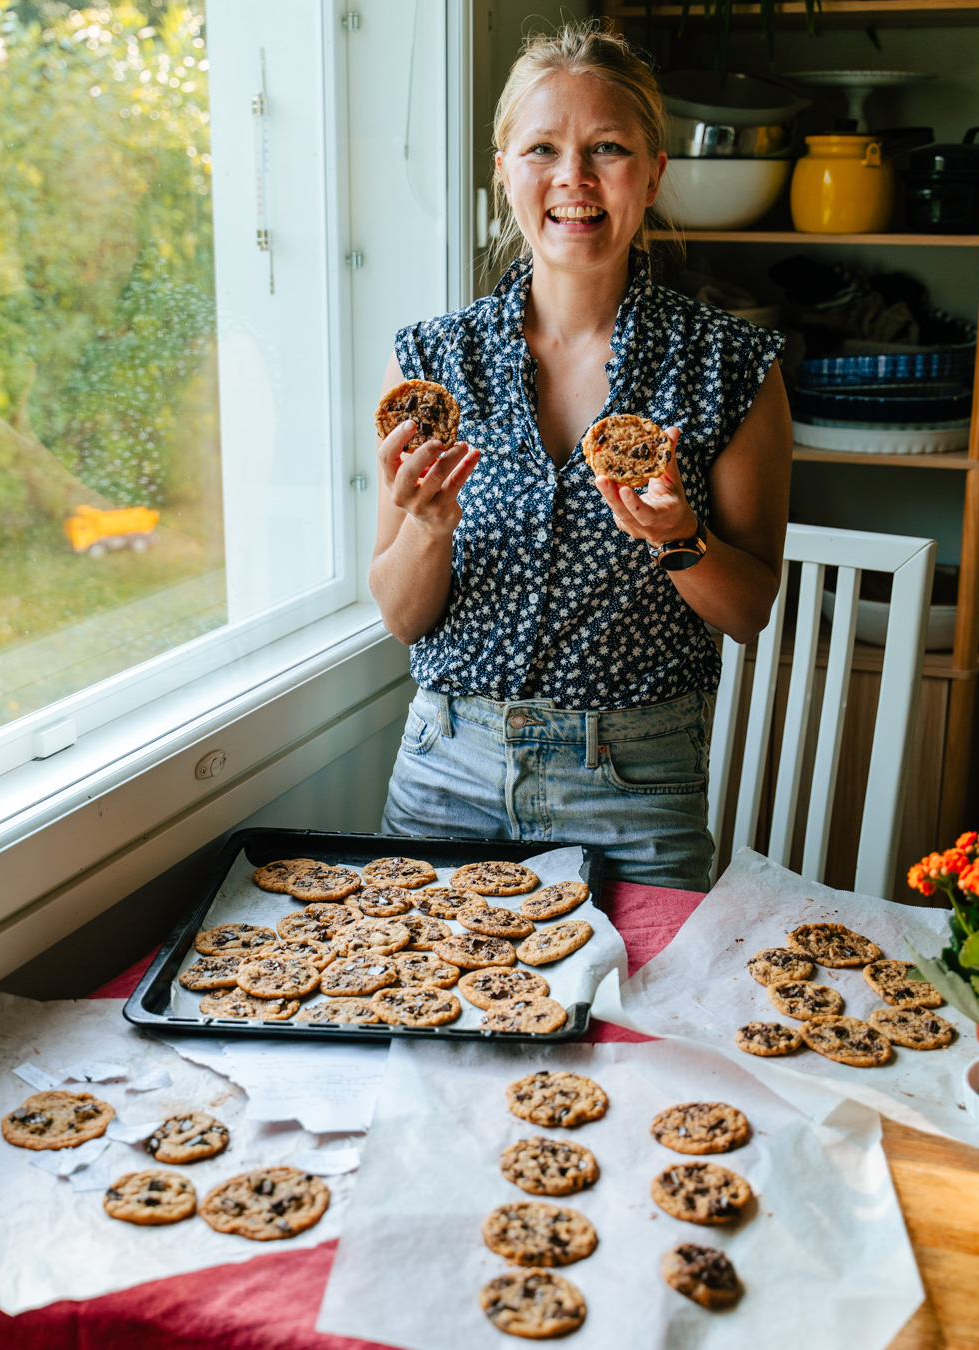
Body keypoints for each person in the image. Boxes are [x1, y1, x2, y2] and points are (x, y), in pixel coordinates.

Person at [369, 24, 792, 889]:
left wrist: (679, 538)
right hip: (445, 775)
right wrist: (428, 528)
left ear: (654, 171)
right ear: (502, 170)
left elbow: (748, 610)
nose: (575, 179)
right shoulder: (430, 360)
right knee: (425, 1020)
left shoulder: (731, 366)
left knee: (636, 1026)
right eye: (543, 149)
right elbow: (403, 618)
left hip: (635, 790)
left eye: (608, 148)